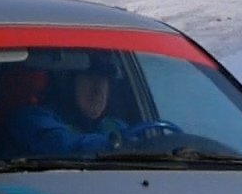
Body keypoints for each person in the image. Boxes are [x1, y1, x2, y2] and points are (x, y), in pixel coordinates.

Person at [9, 57, 148, 156]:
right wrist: (115, 146)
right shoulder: (32, 119)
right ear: (67, 85)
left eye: (103, 82)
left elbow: (141, 143)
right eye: (89, 80)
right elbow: (61, 143)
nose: (98, 91)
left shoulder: (115, 126)